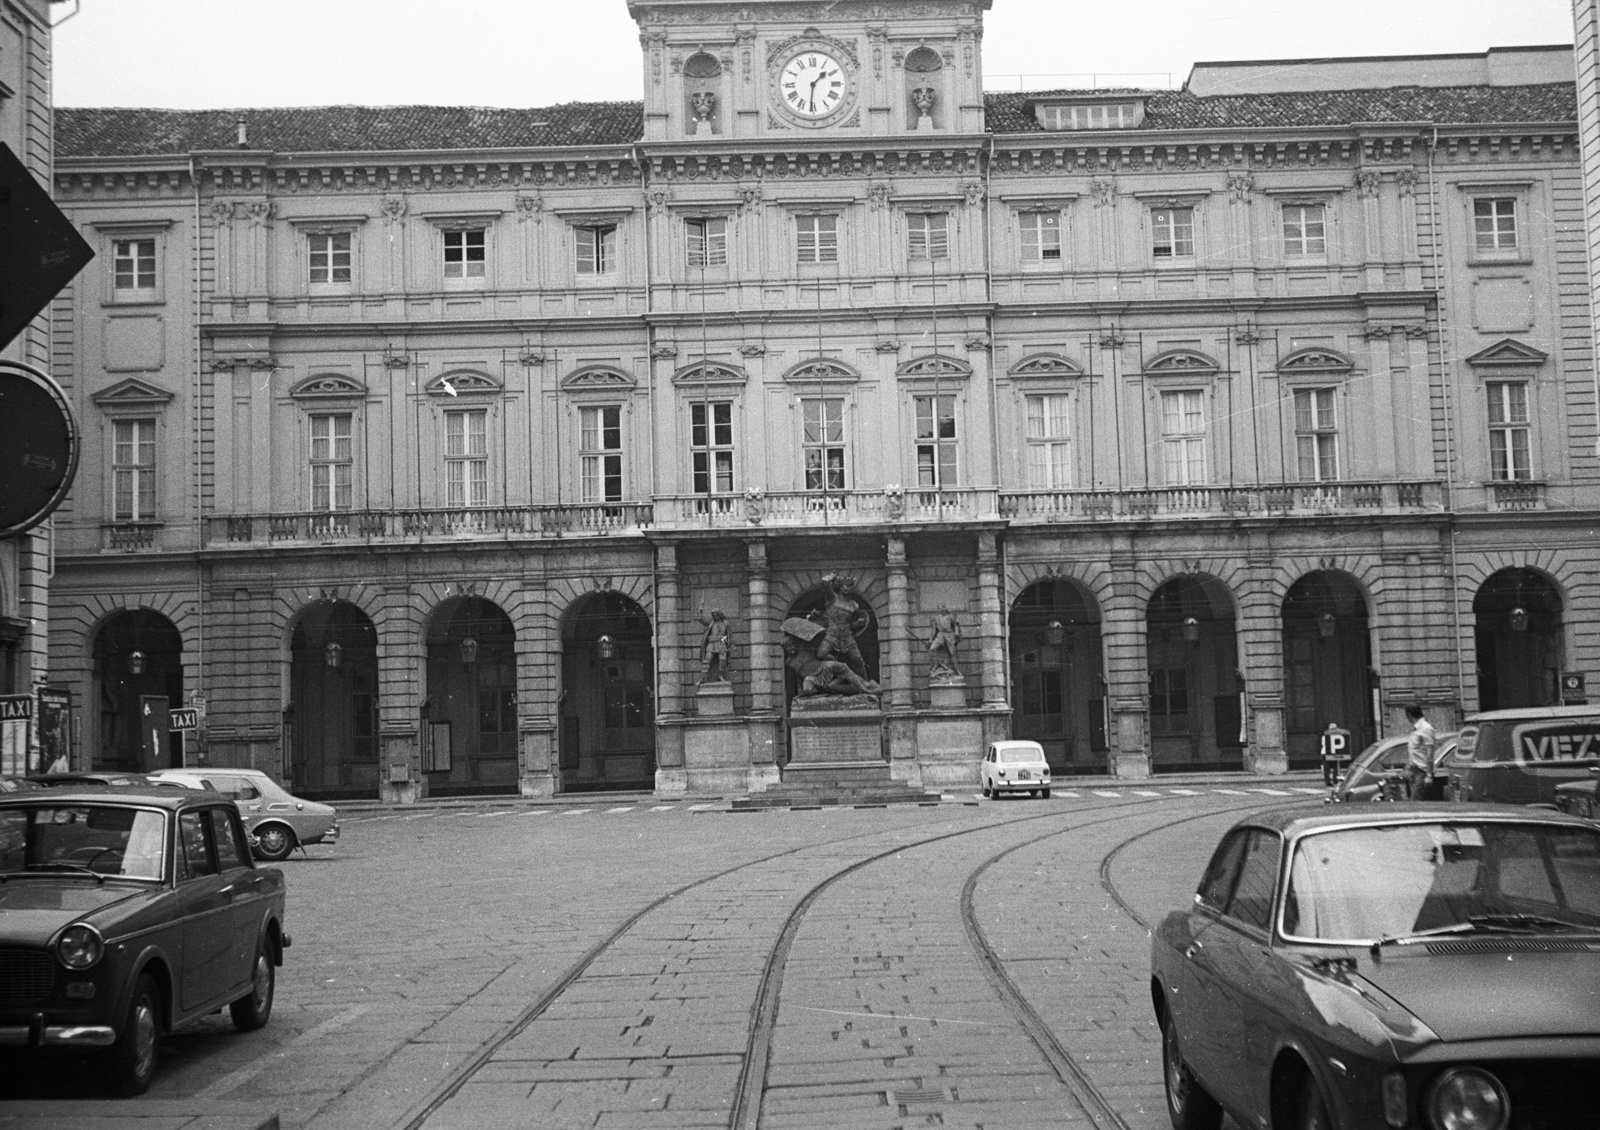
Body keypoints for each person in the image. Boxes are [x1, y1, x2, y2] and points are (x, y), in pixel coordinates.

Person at [1404, 703, 1436, 800]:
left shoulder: (1426, 728)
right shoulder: (1416, 728)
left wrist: (1429, 775)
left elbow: (1430, 752)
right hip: (1414, 771)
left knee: (1415, 802)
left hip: (1422, 772)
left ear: (1409, 715)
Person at [697, 606, 731, 684]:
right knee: (707, 660)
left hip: (721, 643)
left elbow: (729, 635)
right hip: (711, 643)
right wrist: (700, 612)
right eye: (713, 615)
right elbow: (701, 619)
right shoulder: (711, 622)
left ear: (719, 615)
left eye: (716, 615)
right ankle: (702, 678)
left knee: (723, 660)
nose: (715, 616)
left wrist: (731, 644)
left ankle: (720, 676)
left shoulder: (726, 623)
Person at [927, 605, 962, 679]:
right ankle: (937, 665)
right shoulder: (936, 618)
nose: (943, 609)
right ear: (938, 609)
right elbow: (934, 629)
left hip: (950, 635)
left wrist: (956, 632)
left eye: (944, 607)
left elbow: (955, 625)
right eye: (941, 608)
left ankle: (957, 670)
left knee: (952, 653)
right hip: (940, 635)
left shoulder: (950, 616)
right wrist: (930, 639)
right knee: (932, 649)